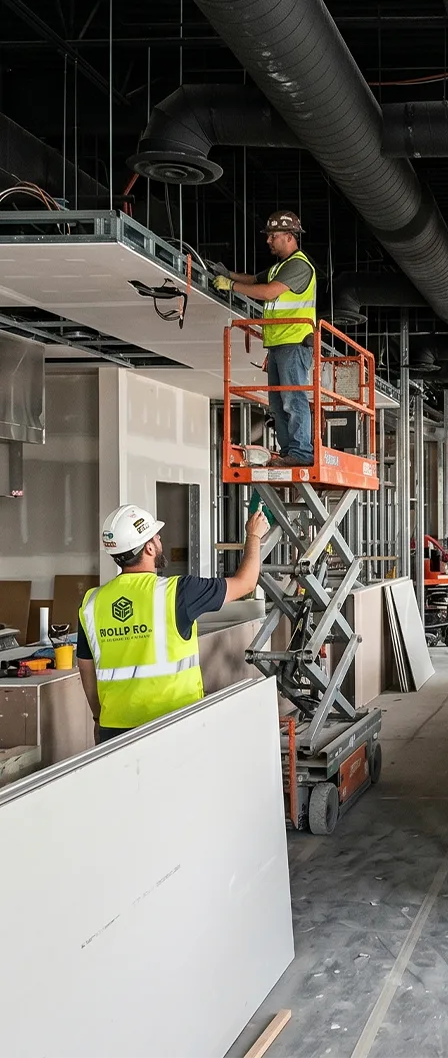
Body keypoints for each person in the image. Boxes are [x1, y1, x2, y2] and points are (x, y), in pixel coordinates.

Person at [77, 503, 270, 745]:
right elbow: (246, 583)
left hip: (115, 732)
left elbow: (86, 667)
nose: (160, 538)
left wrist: (99, 718)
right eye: (155, 536)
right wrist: (253, 536)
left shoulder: (92, 602)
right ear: (149, 548)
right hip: (173, 726)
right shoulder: (178, 592)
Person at [212, 210, 317, 466]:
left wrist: (231, 286)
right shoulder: (281, 267)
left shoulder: (299, 265)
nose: (268, 240)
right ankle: (289, 452)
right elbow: (255, 279)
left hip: (294, 342)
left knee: (292, 400)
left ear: (289, 236)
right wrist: (229, 275)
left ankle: (301, 453)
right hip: (279, 344)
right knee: (278, 404)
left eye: (273, 235)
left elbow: (268, 292)